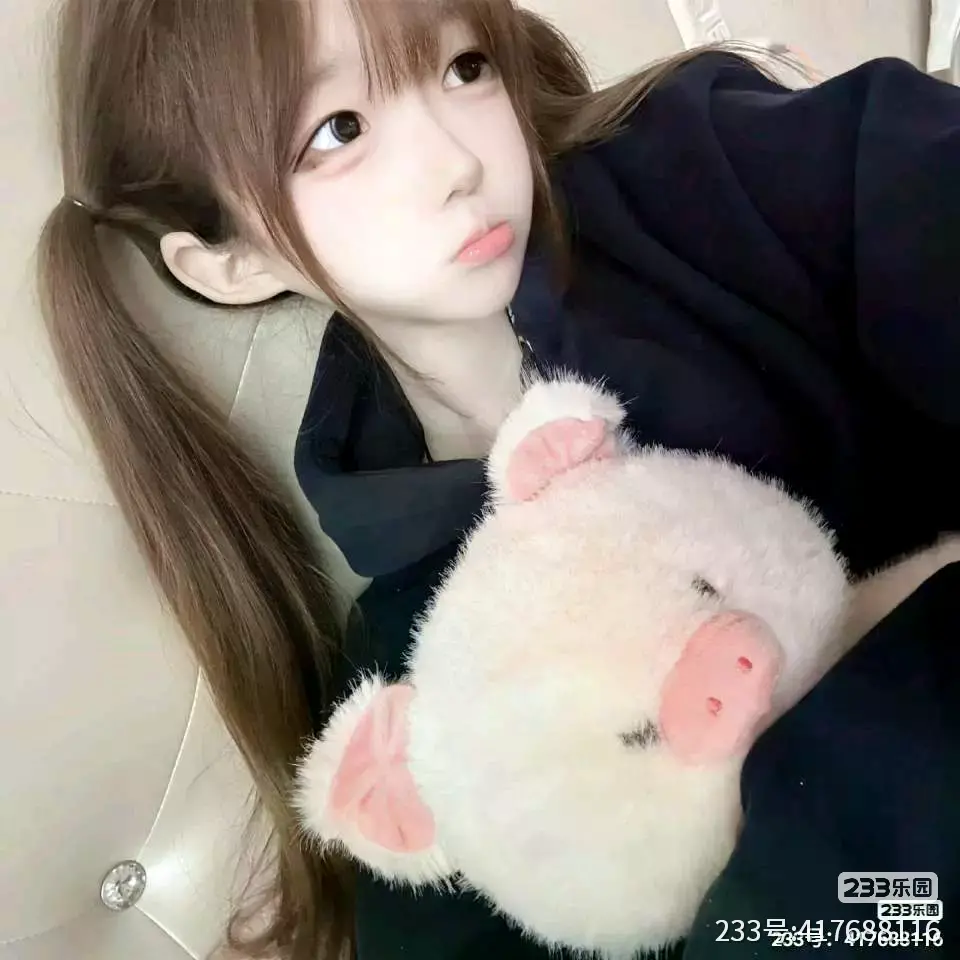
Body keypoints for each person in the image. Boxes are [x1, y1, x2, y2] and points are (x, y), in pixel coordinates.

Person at [37, 0, 958, 958]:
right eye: (338, 131)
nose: (456, 161)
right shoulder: (424, 671)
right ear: (228, 264)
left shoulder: (707, 161)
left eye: (464, 66)